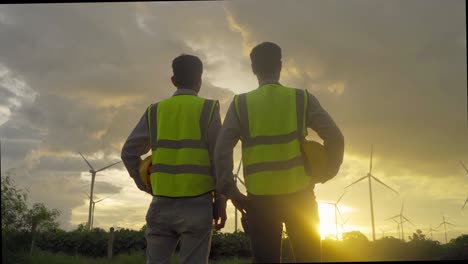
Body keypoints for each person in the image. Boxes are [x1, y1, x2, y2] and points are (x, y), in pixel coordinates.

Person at [215, 42, 344, 263]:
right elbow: (335, 137)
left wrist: (231, 191)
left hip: (259, 201)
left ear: (253, 68)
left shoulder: (240, 104)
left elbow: (221, 150)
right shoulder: (301, 98)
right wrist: (326, 173)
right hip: (301, 197)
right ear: (280, 66)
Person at [121, 54, 227, 264]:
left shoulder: (155, 111)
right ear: (200, 79)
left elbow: (128, 152)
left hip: (160, 202)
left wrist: (145, 184)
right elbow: (220, 159)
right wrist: (221, 201)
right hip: (198, 203)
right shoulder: (208, 109)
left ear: (173, 80)